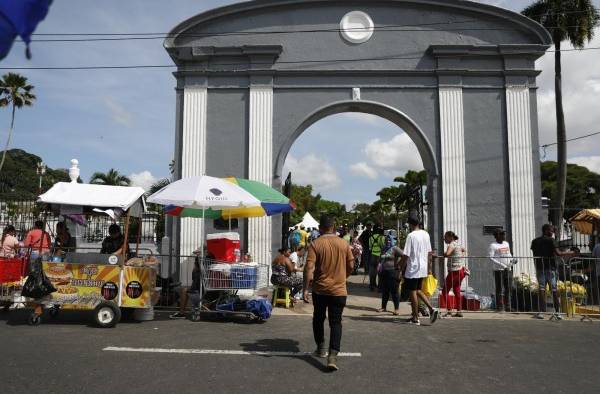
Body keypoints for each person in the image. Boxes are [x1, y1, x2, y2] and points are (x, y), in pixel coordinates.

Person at [303, 214, 354, 371]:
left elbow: (308, 268)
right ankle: (332, 355)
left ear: (320, 228)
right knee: (336, 322)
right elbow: (351, 265)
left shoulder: (315, 244)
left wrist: (305, 288)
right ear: (334, 226)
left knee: (318, 319)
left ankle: (321, 348)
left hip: (320, 290)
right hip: (339, 290)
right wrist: (343, 277)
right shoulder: (344, 244)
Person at [530, 224, 578, 320]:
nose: (553, 232)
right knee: (554, 290)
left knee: (542, 290)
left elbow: (534, 253)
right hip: (551, 268)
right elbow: (558, 253)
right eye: (551, 230)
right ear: (546, 230)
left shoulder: (535, 241)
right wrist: (572, 253)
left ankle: (542, 313)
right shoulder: (551, 240)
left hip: (540, 267)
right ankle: (557, 312)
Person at [399, 216, 439, 326]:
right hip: (422, 267)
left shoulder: (411, 236)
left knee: (412, 292)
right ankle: (431, 309)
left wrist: (400, 266)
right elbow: (429, 253)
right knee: (417, 290)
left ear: (411, 224)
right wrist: (429, 268)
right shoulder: (425, 234)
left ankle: (415, 318)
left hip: (413, 268)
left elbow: (406, 254)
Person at [440, 231, 467, 317]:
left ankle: (449, 310)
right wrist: (460, 258)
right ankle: (459, 311)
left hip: (454, 271)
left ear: (450, 237)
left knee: (445, 291)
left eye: (445, 237)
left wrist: (444, 253)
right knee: (456, 290)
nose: (444, 239)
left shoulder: (451, 244)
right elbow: (464, 250)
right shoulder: (457, 244)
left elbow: (447, 254)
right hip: (461, 270)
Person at [488, 229, 514, 312]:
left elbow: (509, 254)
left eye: (504, 234)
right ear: (497, 236)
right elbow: (491, 257)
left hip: (508, 268)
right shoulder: (493, 245)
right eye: (502, 234)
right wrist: (502, 265)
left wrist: (513, 260)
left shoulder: (506, 243)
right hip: (499, 270)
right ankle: (500, 306)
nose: (504, 235)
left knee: (508, 288)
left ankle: (508, 306)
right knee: (499, 288)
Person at [377, 242, 403, 315]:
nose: (388, 241)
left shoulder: (395, 248)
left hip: (393, 272)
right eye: (386, 239)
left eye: (389, 239)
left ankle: (396, 309)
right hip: (384, 271)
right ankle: (383, 307)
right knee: (385, 290)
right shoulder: (383, 248)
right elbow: (380, 257)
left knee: (394, 291)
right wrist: (378, 264)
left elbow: (404, 256)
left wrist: (399, 265)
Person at [368, 226, 385, 291]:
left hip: (373, 255)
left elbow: (370, 248)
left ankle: (372, 285)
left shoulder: (370, 238)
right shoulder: (382, 237)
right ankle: (380, 287)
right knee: (380, 271)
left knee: (372, 271)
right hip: (380, 256)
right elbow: (383, 247)